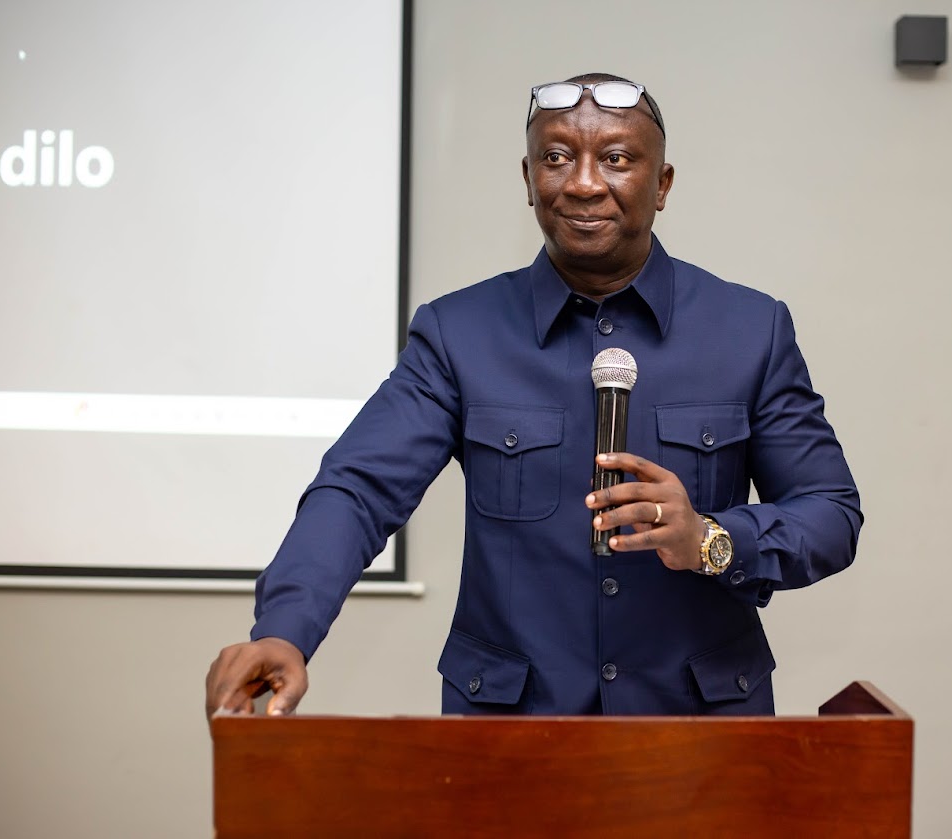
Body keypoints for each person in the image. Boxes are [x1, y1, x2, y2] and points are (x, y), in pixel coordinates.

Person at [205, 73, 862, 717]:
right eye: (556, 157)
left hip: (699, 725)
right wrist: (284, 629)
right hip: (513, 729)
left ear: (661, 184)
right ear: (528, 180)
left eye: (615, 158)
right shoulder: (458, 333)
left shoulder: (749, 330)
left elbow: (830, 513)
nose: (582, 182)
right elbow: (359, 488)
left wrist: (710, 538)